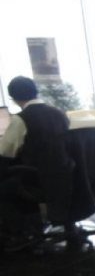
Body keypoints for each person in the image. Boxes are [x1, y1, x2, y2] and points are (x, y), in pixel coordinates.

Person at [0, 76, 73, 249]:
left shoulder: (21, 119)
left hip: (39, 178)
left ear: (14, 98)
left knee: (5, 187)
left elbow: (5, 151)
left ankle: (21, 232)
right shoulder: (59, 113)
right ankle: (34, 225)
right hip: (66, 173)